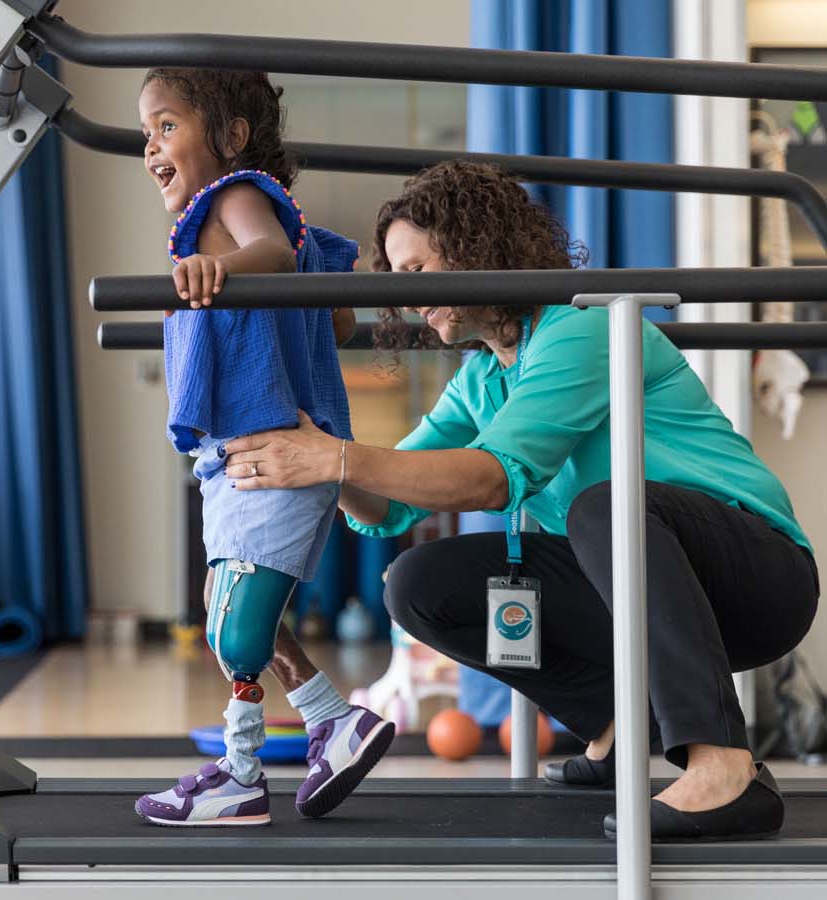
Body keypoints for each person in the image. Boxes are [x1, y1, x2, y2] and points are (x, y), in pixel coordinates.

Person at [222, 160, 819, 842]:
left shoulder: (582, 330)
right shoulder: (482, 376)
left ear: (478, 250)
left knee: (603, 506)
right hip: (637, 583)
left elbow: (491, 480)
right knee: (418, 584)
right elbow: (387, 509)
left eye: (417, 273)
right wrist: (316, 451)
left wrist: (336, 457)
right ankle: (616, 727)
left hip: (755, 575)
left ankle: (723, 768)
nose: (410, 298)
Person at [132, 68, 394, 827]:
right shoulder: (252, 221)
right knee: (228, 608)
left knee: (236, 631)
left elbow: (271, 255)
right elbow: (335, 322)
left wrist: (222, 267)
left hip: (273, 451)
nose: (151, 145)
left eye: (168, 125)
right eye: (146, 132)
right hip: (237, 455)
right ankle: (333, 721)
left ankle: (239, 774)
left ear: (233, 136)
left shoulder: (240, 197)